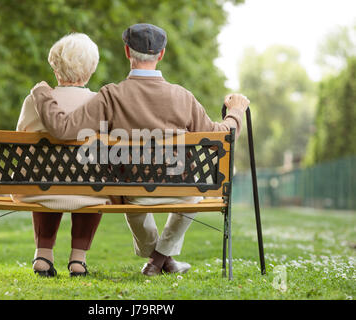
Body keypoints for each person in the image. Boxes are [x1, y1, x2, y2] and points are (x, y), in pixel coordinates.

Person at [30, 23, 250, 276]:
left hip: (133, 191)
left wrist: (42, 94)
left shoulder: (111, 95)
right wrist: (235, 111)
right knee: (195, 193)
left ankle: (158, 259)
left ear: (127, 52)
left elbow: (63, 129)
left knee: (132, 189)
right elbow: (224, 136)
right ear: (161, 54)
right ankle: (161, 259)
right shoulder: (182, 97)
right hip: (181, 190)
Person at [13, 33, 111, 277]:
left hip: (39, 188)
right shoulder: (98, 102)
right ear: (90, 70)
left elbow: (18, 143)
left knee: (44, 173)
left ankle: (42, 256)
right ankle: (78, 260)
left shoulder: (33, 101)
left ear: (55, 69)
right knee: (91, 178)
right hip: (88, 191)